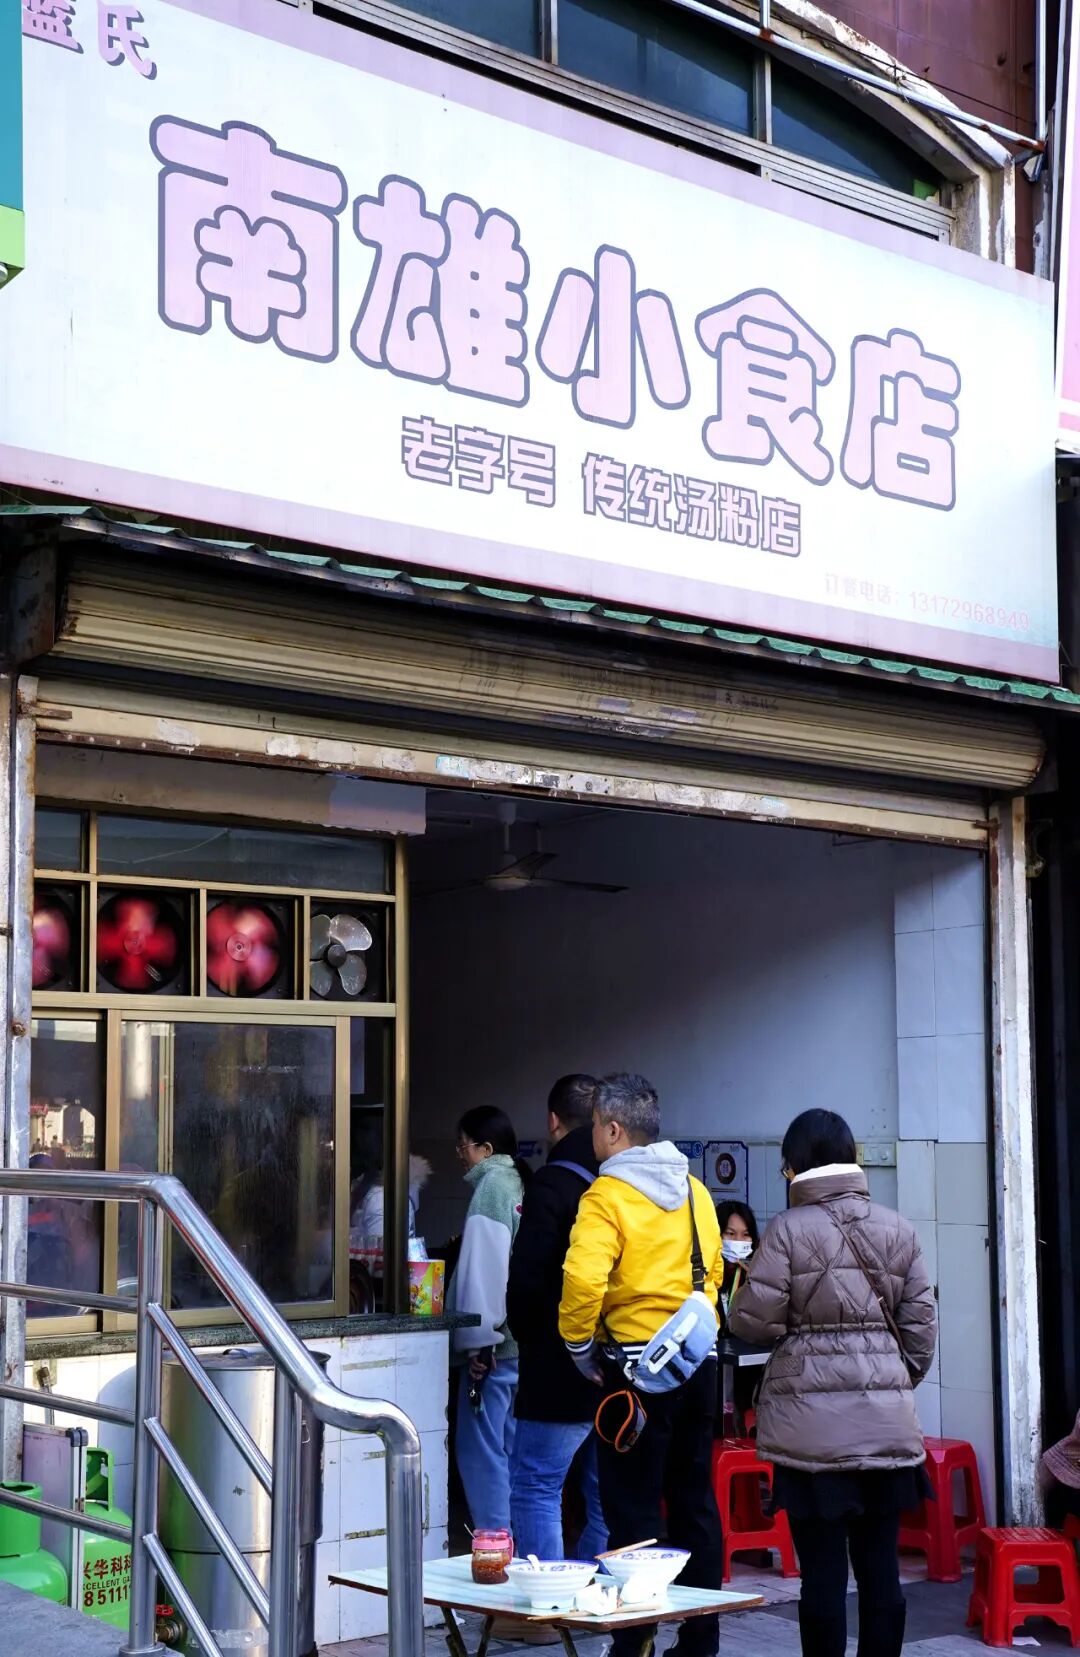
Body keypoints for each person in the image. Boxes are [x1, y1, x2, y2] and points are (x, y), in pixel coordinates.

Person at [728, 1108, 937, 1657]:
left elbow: (751, 1321)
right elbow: (921, 1330)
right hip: (886, 1432)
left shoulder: (787, 1230)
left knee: (821, 1576)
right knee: (881, 1570)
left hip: (810, 1439)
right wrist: (892, 1383)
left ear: (795, 1166)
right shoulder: (898, 1228)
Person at [559, 1074, 725, 1657]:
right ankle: (701, 1640)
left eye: (594, 1128)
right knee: (694, 1502)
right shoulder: (696, 1192)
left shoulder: (606, 1197)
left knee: (632, 1512)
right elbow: (715, 1274)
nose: (592, 1139)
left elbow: (583, 1280)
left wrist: (578, 1345)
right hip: (697, 1366)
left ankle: (635, 1643)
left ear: (613, 1130)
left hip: (631, 1375)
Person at [507, 1073, 607, 1563]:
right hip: (615, 1366)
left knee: (537, 1488)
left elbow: (527, 1280)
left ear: (553, 1121)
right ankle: (597, 1595)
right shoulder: (620, 1185)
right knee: (604, 1498)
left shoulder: (551, 1185)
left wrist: (527, 1339)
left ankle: (545, 1602)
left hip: (555, 1367)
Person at [445, 1105, 527, 1532]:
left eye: (463, 1145)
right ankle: (514, 1545)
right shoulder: (519, 1181)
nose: (459, 1155)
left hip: (494, 1351)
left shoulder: (493, 1186)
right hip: (517, 1346)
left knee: (481, 1453)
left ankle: (495, 1546)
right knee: (509, 1450)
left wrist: (479, 1341)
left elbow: (486, 1271)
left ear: (486, 1149)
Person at [714, 1200, 760, 1436]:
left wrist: (757, 1282)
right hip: (714, 1373)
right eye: (730, 1234)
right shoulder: (704, 1277)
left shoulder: (758, 1276)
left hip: (749, 1374)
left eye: (745, 1235)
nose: (739, 1242)